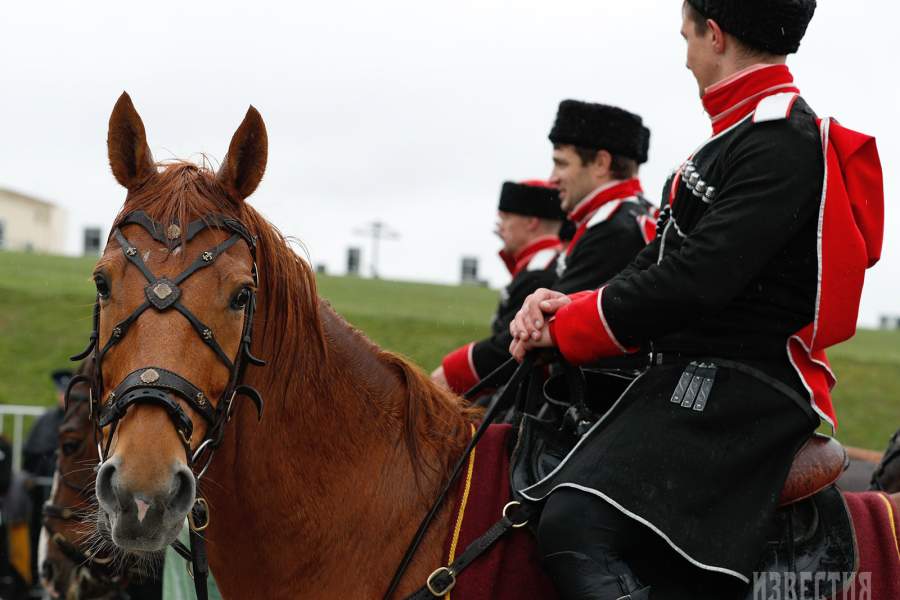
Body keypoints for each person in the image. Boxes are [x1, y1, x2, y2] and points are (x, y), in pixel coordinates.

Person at [508, 1, 883, 598]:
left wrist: (575, 326)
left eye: (686, 37)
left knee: (576, 524)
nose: (684, 57)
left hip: (747, 386)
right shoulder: (737, 137)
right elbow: (655, 262)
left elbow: (697, 281)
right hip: (693, 377)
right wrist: (564, 304)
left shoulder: (779, 140)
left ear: (713, 35)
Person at [433, 180, 566, 394]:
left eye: (506, 217)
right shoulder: (542, 264)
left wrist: (454, 371)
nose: (500, 225)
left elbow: (513, 342)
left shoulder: (540, 272)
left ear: (532, 222)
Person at [547, 100, 658, 296]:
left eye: (561, 164)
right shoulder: (631, 215)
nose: (552, 179)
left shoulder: (612, 229)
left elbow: (557, 319)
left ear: (600, 163)